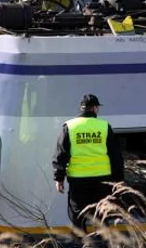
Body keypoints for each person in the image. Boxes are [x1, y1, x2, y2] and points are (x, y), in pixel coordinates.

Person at [52, 94, 124, 243]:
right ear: (95, 108)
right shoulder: (104, 127)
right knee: (101, 216)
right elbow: (116, 156)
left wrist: (59, 178)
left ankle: (81, 244)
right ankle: (101, 244)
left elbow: (61, 154)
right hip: (102, 180)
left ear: (82, 108)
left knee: (78, 217)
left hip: (78, 181)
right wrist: (118, 180)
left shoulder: (70, 127)